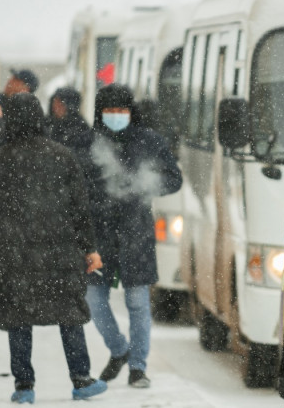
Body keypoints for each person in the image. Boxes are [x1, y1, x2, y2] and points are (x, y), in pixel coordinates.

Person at [0, 93, 107, 403]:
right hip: (59, 251)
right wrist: (89, 247)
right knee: (69, 314)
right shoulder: (62, 156)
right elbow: (79, 207)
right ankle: (81, 378)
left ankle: (24, 387)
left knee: (18, 316)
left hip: (13, 253)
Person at [86, 83, 182, 388]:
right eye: (110, 111)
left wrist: (145, 187)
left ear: (131, 112)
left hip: (136, 233)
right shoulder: (90, 144)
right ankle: (119, 350)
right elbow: (80, 188)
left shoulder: (149, 141)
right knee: (93, 300)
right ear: (100, 113)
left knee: (138, 303)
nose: (117, 116)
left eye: (122, 110)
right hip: (100, 236)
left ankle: (138, 367)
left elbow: (173, 178)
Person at [48, 86, 92, 172]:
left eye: (60, 103)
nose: (55, 106)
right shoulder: (49, 123)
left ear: (69, 106)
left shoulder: (81, 129)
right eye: (54, 101)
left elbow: (82, 159)